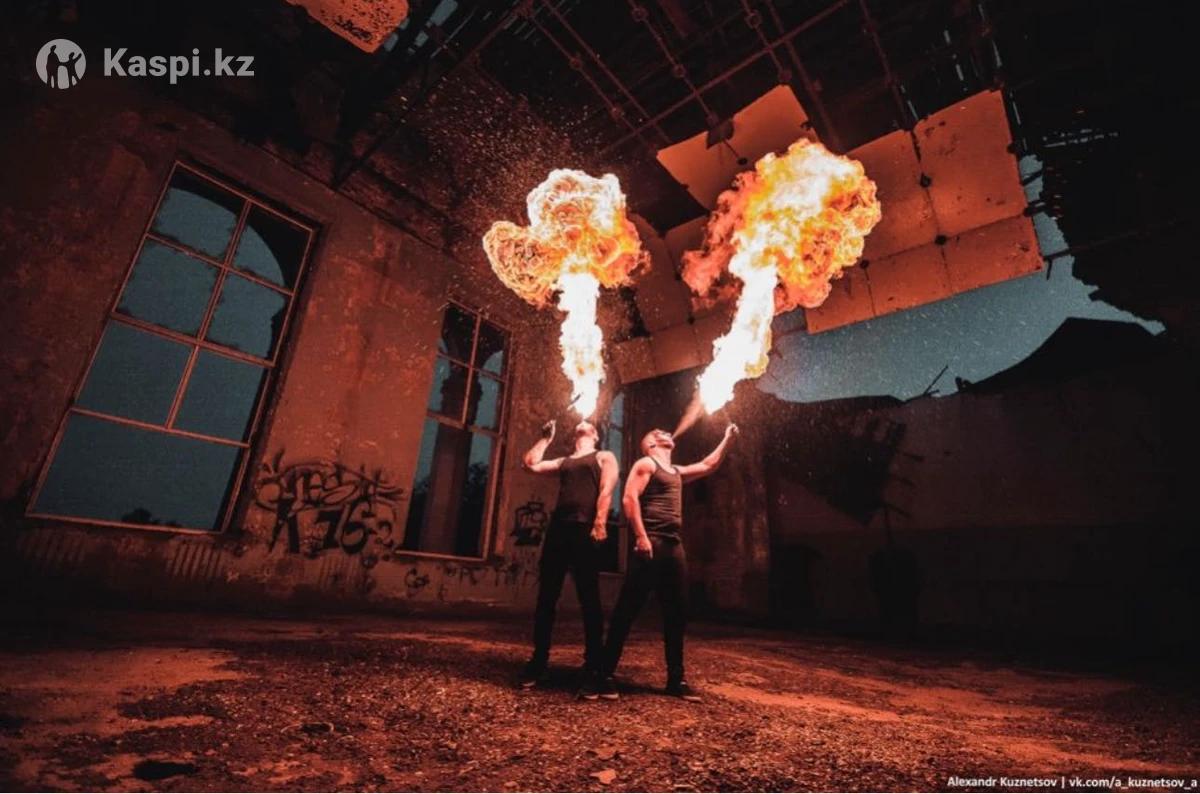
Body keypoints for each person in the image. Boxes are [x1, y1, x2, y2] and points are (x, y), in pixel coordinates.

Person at [601, 424, 738, 702]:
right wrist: (641, 536)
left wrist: (727, 438)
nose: (665, 432)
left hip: (674, 546)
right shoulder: (646, 463)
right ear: (651, 444)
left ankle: (676, 680)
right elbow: (629, 498)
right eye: (658, 433)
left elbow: (708, 465)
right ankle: (603, 675)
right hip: (651, 542)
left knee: (677, 613)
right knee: (627, 610)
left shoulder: (676, 471)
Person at [519, 419, 619, 700]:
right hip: (558, 530)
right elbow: (530, 464)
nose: (583, 423)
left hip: (585, 528)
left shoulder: (604, 456)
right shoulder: (564, 461)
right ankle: (539, 661)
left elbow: (607, 489)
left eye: (589, 424)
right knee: (546, 597)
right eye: (581, 423)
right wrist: (545, 438)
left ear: (595, 435)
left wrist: (600, 522)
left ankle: (593, 667)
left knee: (589, 598)